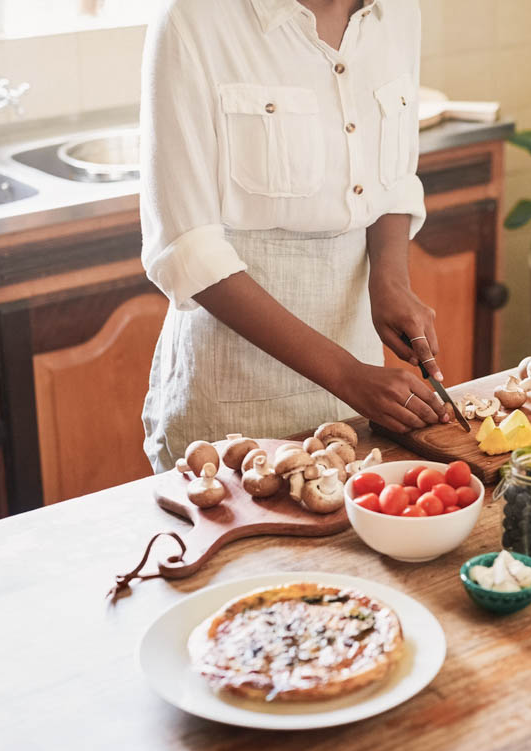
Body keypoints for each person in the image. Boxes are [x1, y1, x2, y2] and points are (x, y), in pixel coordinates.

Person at [139, 0, 447, 472]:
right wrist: (346, 374)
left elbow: (394, 178)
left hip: (363, 385)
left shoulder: (398, 11)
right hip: (235, 402)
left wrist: (390, 280)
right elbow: (190, 249)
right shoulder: (193, 19)